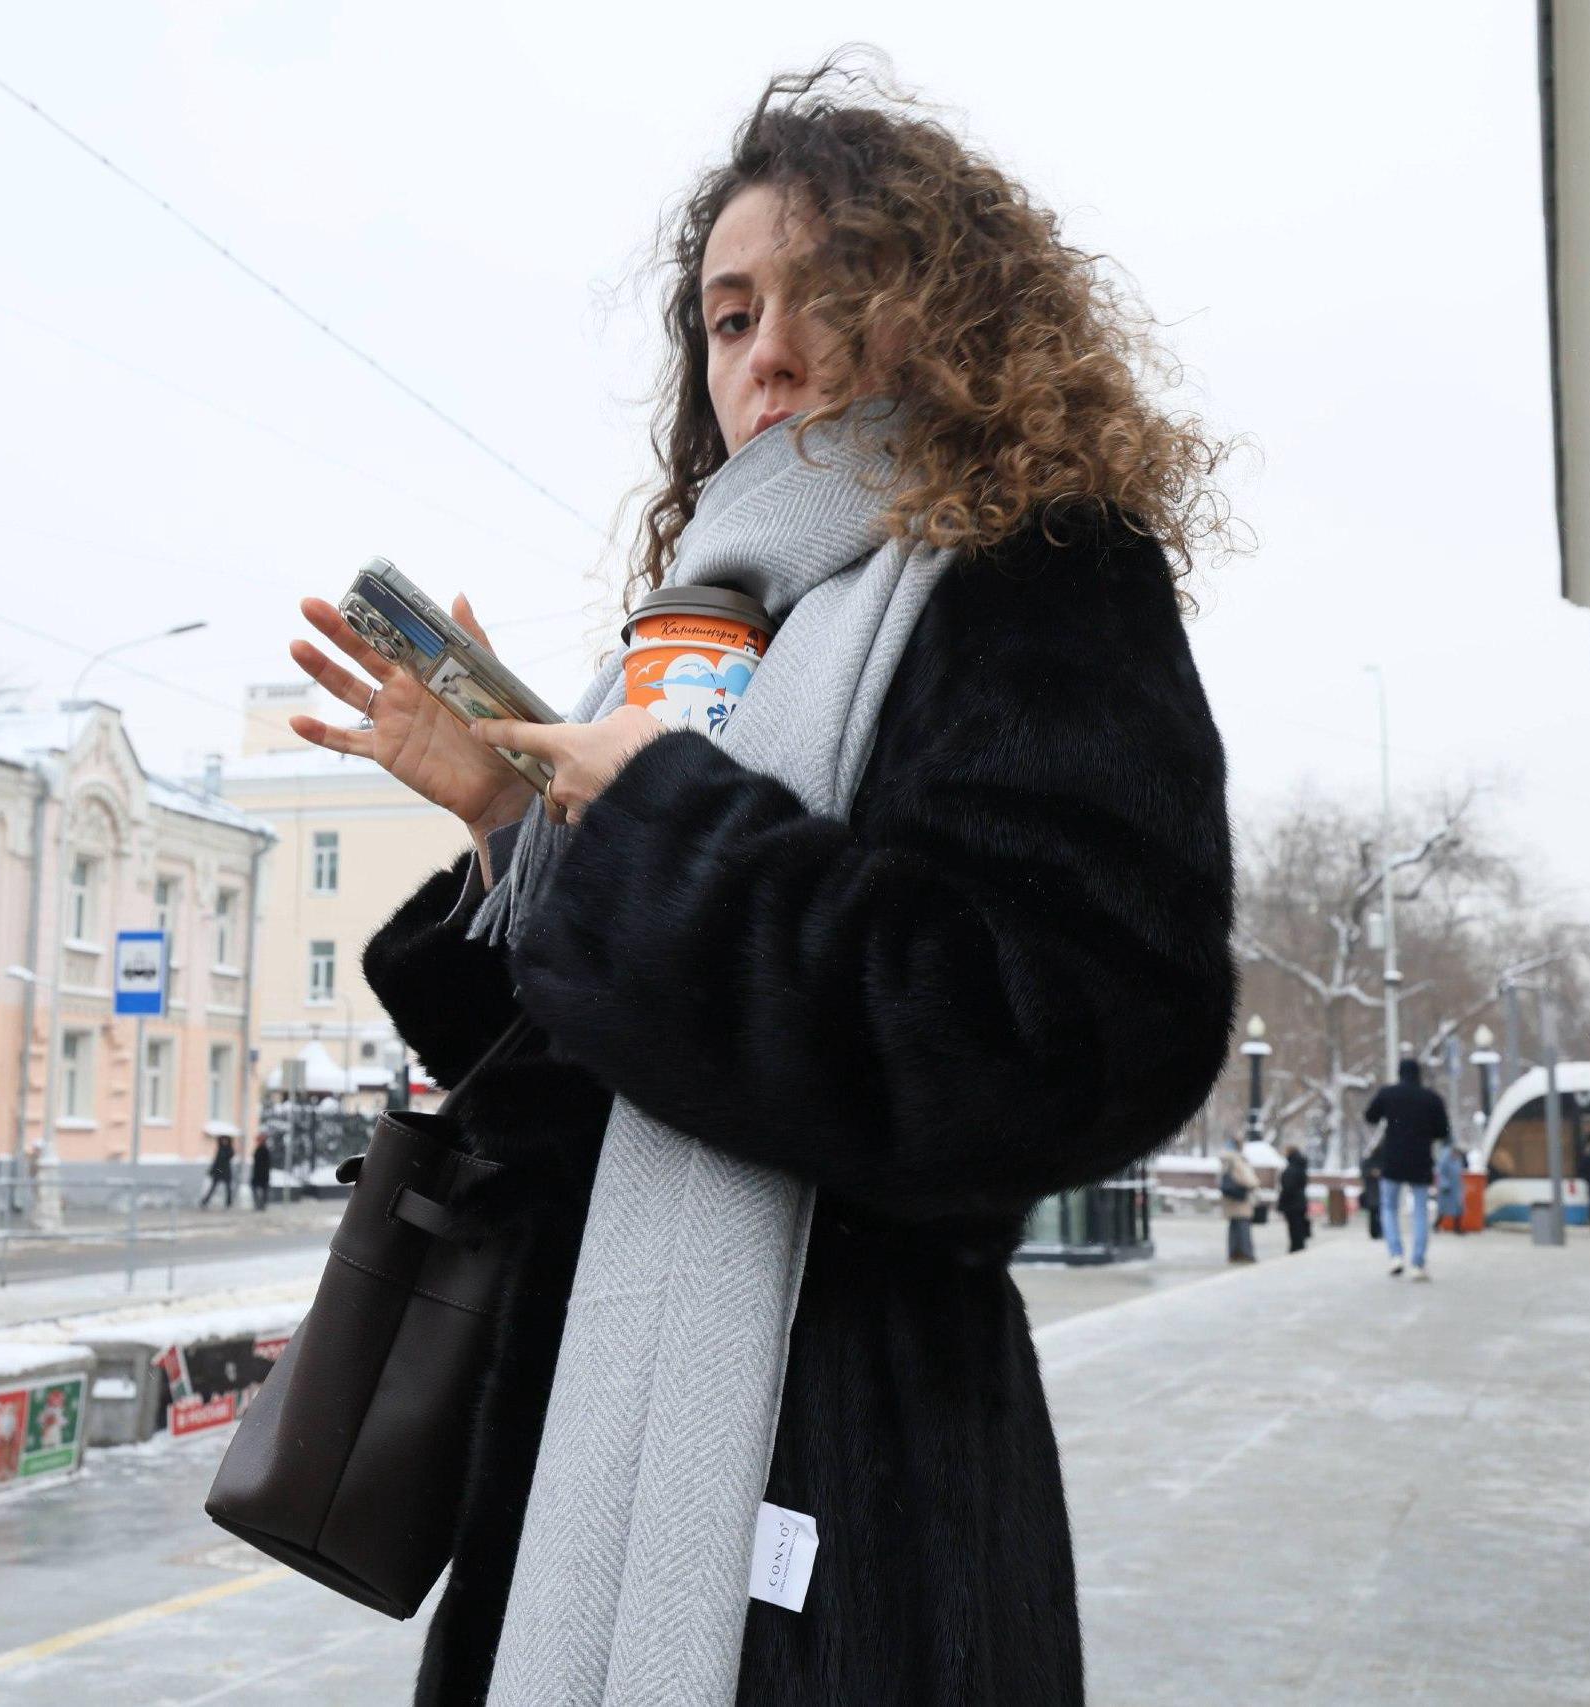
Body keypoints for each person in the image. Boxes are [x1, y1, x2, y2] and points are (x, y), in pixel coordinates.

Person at [297, 60, 1238, 1704]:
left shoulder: (1040, 575)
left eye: (829, 295)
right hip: (575, 1466)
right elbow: (589, 1121)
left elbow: (1079, 1031)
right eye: (728, 318)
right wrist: (513, 829)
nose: (769, 354)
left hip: (861, 1497)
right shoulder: (699, 632)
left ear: (947, 317)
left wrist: (658, 828)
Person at [1362, 1057, 1449, 1280]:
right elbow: (1442, 1131)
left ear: (1399, 1073)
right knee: (1420, 1212)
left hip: (1393, 1160)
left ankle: (1395, 1255)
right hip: (1421, 1161)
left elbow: (1370, 1116)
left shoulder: (1388, 1094)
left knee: (1389, 1208)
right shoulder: (1431, 1098)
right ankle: (1418, 1262)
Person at [1220, 1138, 1260, 1264]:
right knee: (1243, 1228)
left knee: (1234, 1227)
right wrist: (1254, 1183)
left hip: (1230, 1199)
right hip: (1240, 1200)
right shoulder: (1237, 1160)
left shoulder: (1225, 1159)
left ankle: (1234, 1253)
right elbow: (1247, 1179)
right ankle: (1246, 1253)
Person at [1278, 1139, 1311, 1253]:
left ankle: (1296, 1247)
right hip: (1299, 1201)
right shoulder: (1300, 1166)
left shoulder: (1292, 1168)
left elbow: (1288, 1187)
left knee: (1294, 1227)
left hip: (1292, 1203)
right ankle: (1299, 1246)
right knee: (1298, 1225)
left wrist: (1282, 1202)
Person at [1437, 1134, 1471, 1236]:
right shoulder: (1445, 1156)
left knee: (1458, 1208)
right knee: (1444, 1209)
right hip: (1448, 1188)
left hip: (1456, 1187)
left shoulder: (1458, 1157)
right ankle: (1437, 1224)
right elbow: (1441, 1172)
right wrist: (1444, 1184)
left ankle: (1457, 1228)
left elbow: (1462, 1168)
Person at [199, 1130, 236, 1210]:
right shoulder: (220, 1149)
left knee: (228, 1188)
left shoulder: (229, 1149)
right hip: (219, 1170)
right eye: (223, 1140)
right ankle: (205, 1201)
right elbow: (216, 1161)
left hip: (226, 1171)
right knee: (213, 1187)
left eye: (225, 1140)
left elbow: (230, 1155)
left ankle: (228, 1203)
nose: (224, 1141)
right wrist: (212, 1170)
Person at [249, 1135, 273, 1212]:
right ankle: (259, 1205)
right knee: (258, 1189)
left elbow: (267, 1163)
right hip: (258, 1173)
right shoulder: (259, 1149)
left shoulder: (264, 1150)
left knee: (263, 1190)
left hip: (262, 1174)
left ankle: (261, 1205)